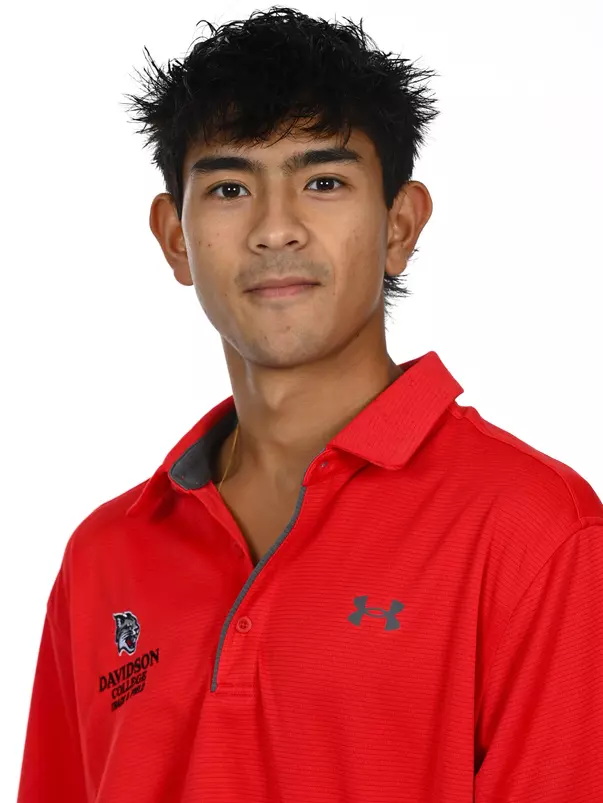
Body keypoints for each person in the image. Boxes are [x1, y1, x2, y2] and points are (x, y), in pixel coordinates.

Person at [17, 7, 603, 802]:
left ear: (399, 223)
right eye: (228, 187)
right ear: (175, 239)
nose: (275, 229)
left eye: (322, 182)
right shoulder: (100, 559)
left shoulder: (535, 532)